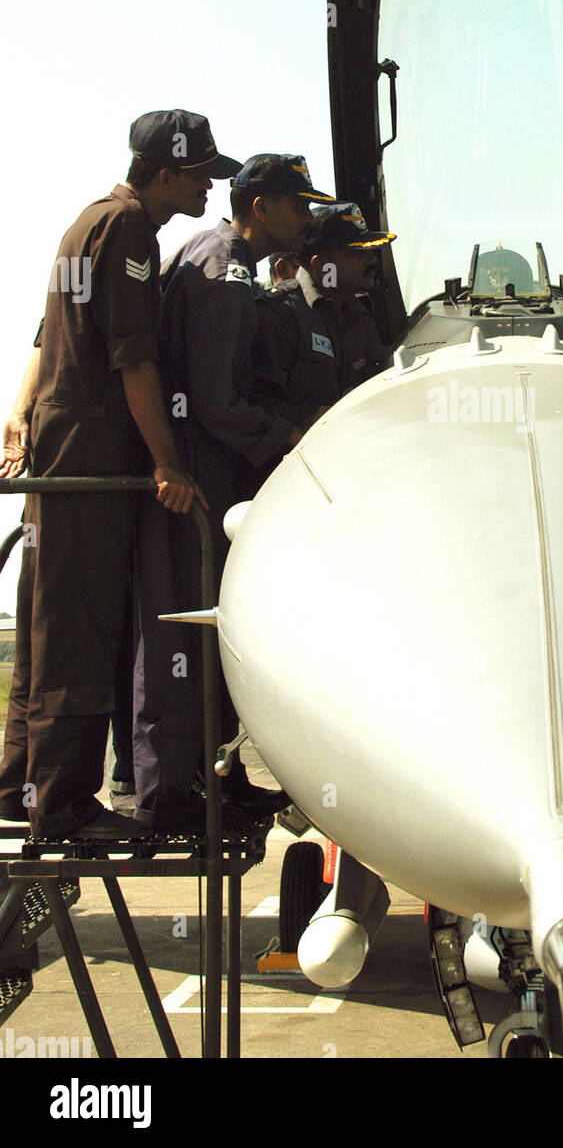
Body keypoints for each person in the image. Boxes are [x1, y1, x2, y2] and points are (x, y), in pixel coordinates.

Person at [0, 109, 229, 837]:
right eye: (198, 178)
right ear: (164, 174)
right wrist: (166, 460)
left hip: (61, 450)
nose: (207, 193)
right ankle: (62, 807)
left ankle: (17, 788)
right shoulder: (128, 231)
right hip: (94, 458)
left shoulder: (87, 223)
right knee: (82, 627)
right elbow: (134, 358)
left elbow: (48, 336)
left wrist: (20, 410)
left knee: (46, 620)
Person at [132, 153, 331, 830]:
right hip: (194, 472)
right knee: (181, 630)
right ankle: (169, 794)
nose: (307, 220)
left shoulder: (232, 263)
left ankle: (213, 779)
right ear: (261, 206)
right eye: (298, 205)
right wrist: (291, 438)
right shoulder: (223, 266)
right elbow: (216, 401)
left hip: (213, 468)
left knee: (211, 627)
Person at [251, 202, 393, 433]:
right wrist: (305, 419)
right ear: (321, 266)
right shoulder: (280, 314)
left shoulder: (359, 311)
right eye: (357, 253)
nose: (372, 260)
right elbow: (254, 402)